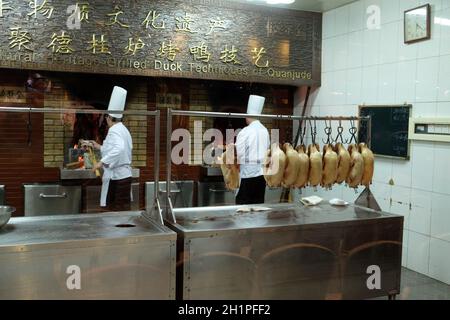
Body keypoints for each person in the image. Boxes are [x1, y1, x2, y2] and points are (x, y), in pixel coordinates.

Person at [83, 86, 133, 211]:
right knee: (121, 212)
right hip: (124, 176)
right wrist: (98, 146)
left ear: (109, 118)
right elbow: (115, 149)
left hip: (116, 179)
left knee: (113, 213)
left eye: (106, 118)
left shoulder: (113, 130)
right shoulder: (123, 129)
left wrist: (100, 163)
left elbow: (119, 149)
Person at [235, 95, 270, 205]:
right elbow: (267, 150)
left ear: (248, 116)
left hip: (247, 176)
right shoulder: (265, 131)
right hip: (261, 176)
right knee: (258, 207)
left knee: (244, 209)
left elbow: (239, 154)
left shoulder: (246, 131)